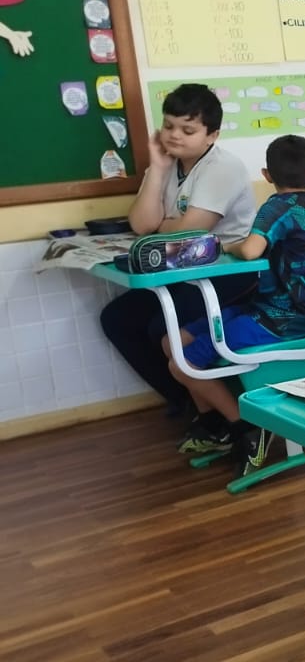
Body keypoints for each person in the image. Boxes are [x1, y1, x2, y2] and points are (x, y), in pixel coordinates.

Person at [164, 135, 305, 469]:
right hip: (282, 309)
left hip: (279, 320)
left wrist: (231, 245)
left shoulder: (277, 206)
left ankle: (246, 427)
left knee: (181, 363)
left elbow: (249, 251)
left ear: (267, 174)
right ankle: (216, 426)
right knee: (172, 340)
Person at [104, 83, 260, 424]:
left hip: (229, 273)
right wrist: (157, 169)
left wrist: (167, 225)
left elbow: (194, 230)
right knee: (117, 319)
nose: (174, 136)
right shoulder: (167, 162)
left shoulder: (223, 166)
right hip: (182, 270)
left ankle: (223, 418)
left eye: (188, 130)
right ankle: (192, 406)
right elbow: (143, 225)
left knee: (162, 328)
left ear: (212, 135)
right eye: (169, 126)